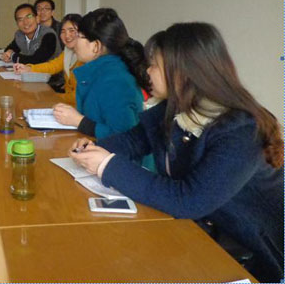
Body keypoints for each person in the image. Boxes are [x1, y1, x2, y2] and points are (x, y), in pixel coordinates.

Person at [68, 22, 284, 283]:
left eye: (154, 65)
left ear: (183, 72)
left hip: (257, 255)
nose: (147, 72)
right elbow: (134, 140)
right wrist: (94, 148)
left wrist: (107, 165)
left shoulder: (241, 130)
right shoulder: (175, 109)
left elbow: (188, 199)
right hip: (203, 233)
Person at [53, 8, 150, 139]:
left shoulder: (115, 81)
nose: (75, 43)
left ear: (96, 46)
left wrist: (79, 121)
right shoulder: (101, 72)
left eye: (79, 36)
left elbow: (125, 137)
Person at [13, 14, 83, 104]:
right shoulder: (68, 51)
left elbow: (78, 96)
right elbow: (53, 66)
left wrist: (51, 96)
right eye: (63, 31)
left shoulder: (86, 57)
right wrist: (29, 69)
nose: (67, 35)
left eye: (72, 30)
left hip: (77, 107)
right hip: (66, 103)